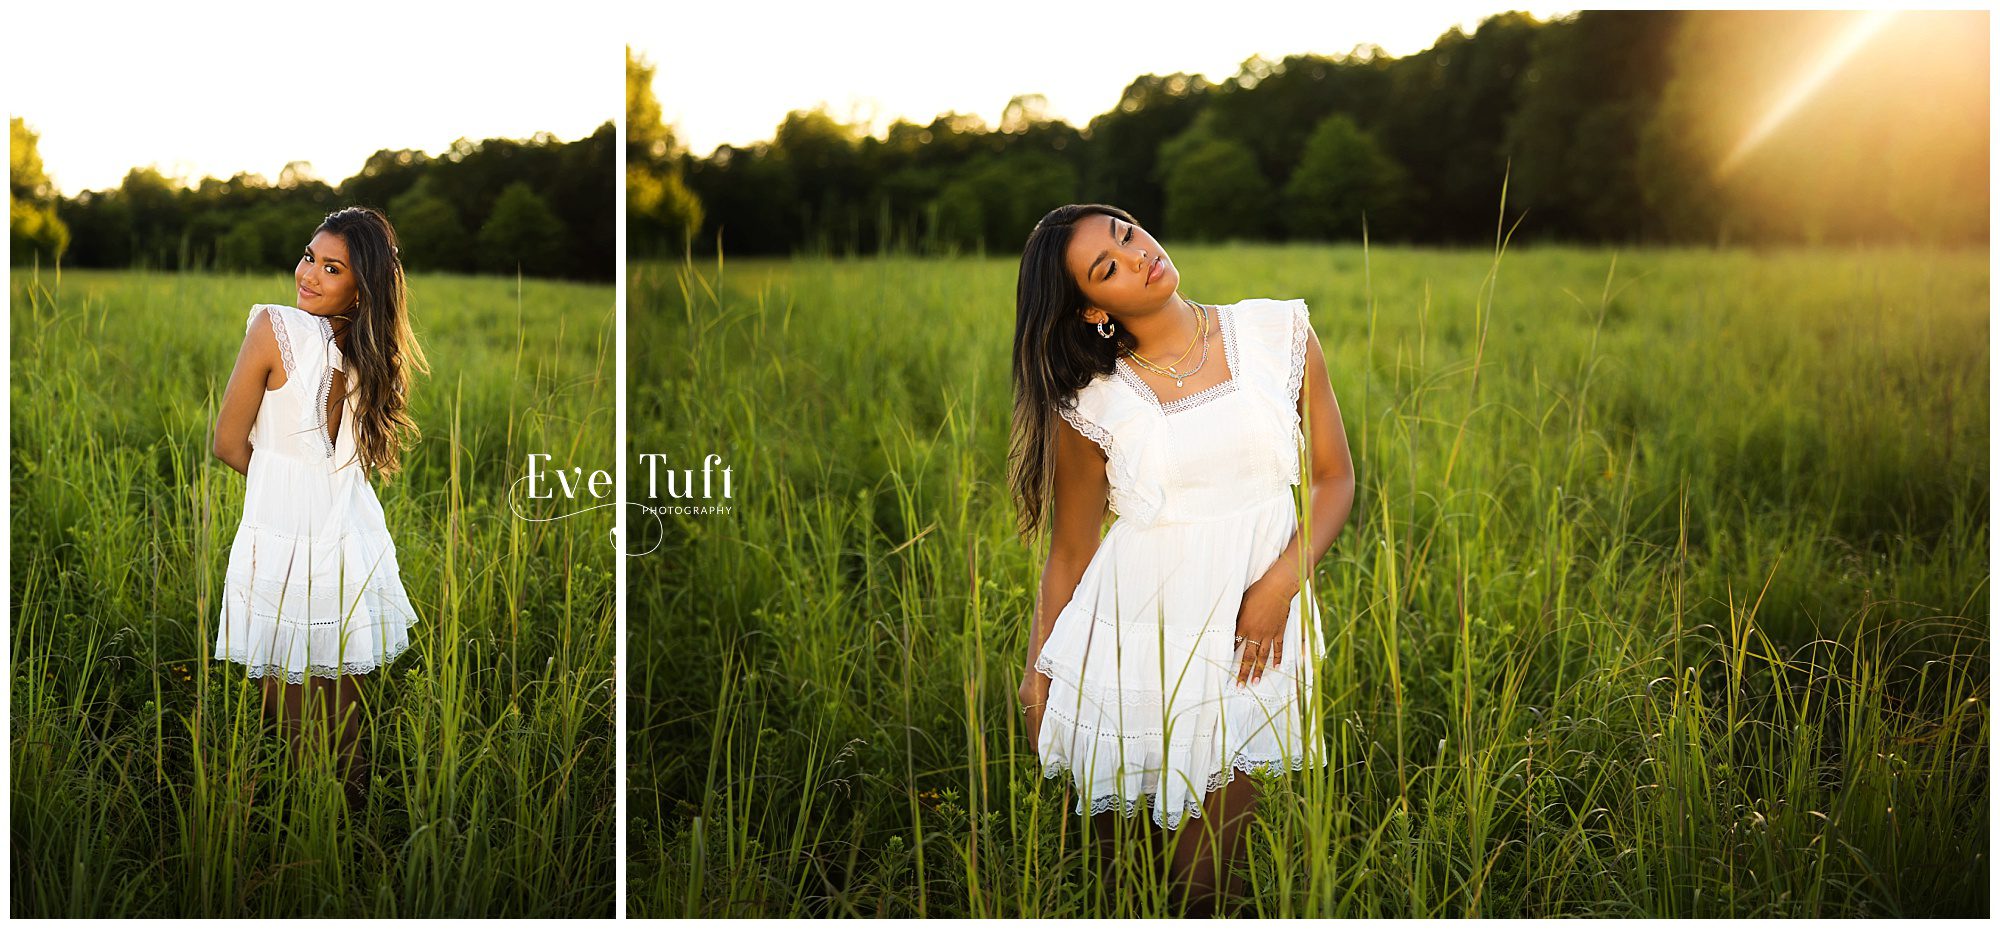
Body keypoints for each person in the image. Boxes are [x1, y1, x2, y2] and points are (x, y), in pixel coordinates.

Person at [1009, 203, 1356, 914]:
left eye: (1127, 234)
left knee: (1208, 881)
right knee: (1122, 877)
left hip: (1246, 641)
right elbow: (1072, 549)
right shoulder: (1092, 401)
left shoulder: (1277, 332)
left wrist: (1278, 588)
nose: (1138, 256)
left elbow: (1333, 478)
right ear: (1092, 310)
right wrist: (1038, 673)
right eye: (1108, 267)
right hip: (1130, 642)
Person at [210, 206, 431, 802]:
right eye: (310, 257)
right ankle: (353, 823)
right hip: (349, 535)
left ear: (361, 288)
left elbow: (227, 443)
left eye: (332, 268)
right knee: (341, 704)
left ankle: (308, 824)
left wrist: (281, 485)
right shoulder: (373, 352)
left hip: (282, 531)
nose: (308, 274)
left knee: (289, 709)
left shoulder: (275, 328)